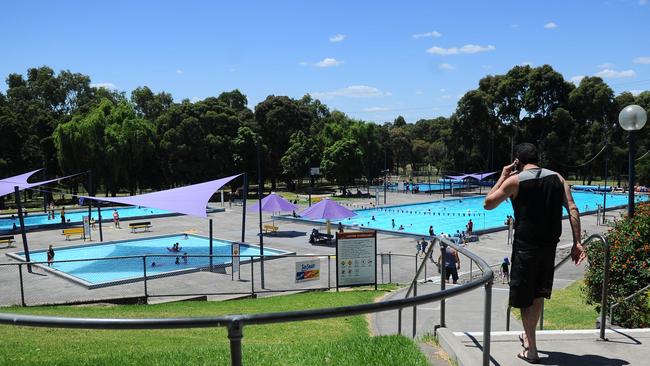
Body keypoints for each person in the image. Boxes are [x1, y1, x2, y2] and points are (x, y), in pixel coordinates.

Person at [483, 142, 584, 364]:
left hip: (526, 248)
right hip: (549, 247)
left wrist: (502, 175)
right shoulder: (558, 178)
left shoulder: (515, 180)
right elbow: (573, 208)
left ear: (517, 161)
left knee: (524, 299)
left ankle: (532, 351)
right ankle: (529, 341)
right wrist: (578, 242)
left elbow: (488, 203)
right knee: (538, 295)